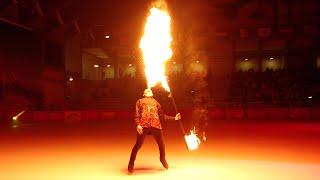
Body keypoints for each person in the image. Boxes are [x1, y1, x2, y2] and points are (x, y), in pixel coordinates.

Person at [128, 88, 181, 174]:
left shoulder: (156, 102)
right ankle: (131, 164)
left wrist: (174, 118)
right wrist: (138, 124)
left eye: (149, 90)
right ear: (144, 94)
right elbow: (136, 114)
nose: (148, 90)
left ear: (152, 94)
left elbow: (162, 116)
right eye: (146, 90)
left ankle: (162, 159)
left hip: (155, 126)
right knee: (138, 145)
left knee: (161, 144)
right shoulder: (139, 101)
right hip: (143, 125)